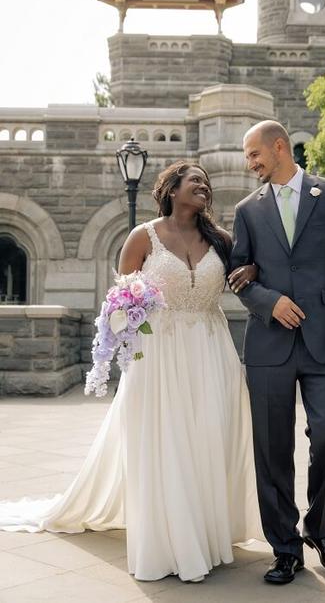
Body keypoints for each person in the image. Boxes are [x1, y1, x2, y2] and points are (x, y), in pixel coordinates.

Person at [0, 161, 262, 583]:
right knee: (166, 441)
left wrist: (251, 270)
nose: (204, 187)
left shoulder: (223, 240)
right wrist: (129, 317)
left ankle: (207, 532)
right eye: (195, 180)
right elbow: (118, 302)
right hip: (159, 356)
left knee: (208, 438)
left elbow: (248, 276)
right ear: (172, 189)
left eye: (207, 183)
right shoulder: (144, 236)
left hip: (213, 351)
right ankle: (172, 542)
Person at [229, 120, 325, 585]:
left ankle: (321, 532)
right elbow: (238, 277)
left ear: (280, 147)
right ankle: (284, 548)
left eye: (253, 155)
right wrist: (270, 301)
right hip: (269, 344)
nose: (250, 165)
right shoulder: (247, 210)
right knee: (272, 447)